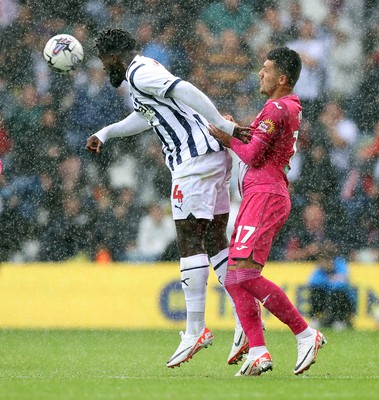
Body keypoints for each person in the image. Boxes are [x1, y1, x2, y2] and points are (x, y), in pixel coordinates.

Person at [85, 28, 252, 368]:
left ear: (116, 53)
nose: (105, 68)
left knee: (189, 242)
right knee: (216, 243)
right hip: (209, 157)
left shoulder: (140, 71)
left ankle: (194, 331)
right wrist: (107, 132)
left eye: (105, 60)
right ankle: (245, 319)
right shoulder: (141, 74)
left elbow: (185, 90)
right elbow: (146, 117)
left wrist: (222, 122)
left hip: (193, 163)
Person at [208, 47, 326, 377]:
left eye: (266, 69)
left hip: (266, 195)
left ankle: (306, 334)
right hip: (258, 195)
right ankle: (258, 351)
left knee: (245, 274)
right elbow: (260, 141)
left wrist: (226, 137)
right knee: (233, 276)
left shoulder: (277, 107)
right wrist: (237, 130)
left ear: (282, 78)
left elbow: (253, 155)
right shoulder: (281, 107)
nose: (260, 73)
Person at [308, 241, 356, 330]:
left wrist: (328, 282)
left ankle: (340, 320)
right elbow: (312, 282)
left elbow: (342, 283)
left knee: (337, 293)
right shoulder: (319, 270)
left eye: (326, 262)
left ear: (331, 261)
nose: (324, 265)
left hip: (345, 300)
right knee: (316, 292)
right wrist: (331, 280)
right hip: (327, 299)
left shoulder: (340, 264)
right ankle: (316, 319)